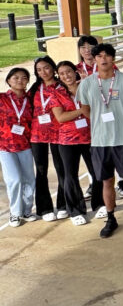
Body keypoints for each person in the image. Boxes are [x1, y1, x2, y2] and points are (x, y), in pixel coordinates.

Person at [76, 44, 123, 238]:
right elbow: (85, 109)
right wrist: (101, 124)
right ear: (94, 59)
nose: (103, 59)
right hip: (100, 142)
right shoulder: (87, 84)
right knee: (106, 181)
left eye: (107, 56)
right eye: (99, 56)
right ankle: (111, 217)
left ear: (113, 59)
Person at [51, 62, 104, 226]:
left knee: (97, 171)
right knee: (70, 175)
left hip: (90, 137)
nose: (66, 76)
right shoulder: (56, 94)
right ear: (59, 77)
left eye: (69, 72)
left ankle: (100, 203)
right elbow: (60, 117)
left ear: (75, 72)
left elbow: (99, 106)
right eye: (62, 73)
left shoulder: (87, 88)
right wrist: (81, 111)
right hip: (67, 140)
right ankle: (76, 211)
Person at [29, 56, 67, 222]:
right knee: (41, 170)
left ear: (53, 68)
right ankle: (44, 208)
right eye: (39, 69)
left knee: (61, 168)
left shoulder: (62, 86)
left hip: (59, 132)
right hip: (38, 134)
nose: (43, 72)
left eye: (46, 68)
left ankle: (63, 204)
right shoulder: (35, 88)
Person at [0, 68, 36, 227]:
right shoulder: (2, 98)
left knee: (29, 179)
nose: (20, 81)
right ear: (8, 80)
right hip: (5, 146)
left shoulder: (31, 100)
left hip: (25, 145)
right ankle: (15, 213)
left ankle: (27, 210)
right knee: (14, 180)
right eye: (15, 78)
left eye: (24, 78)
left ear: (28, 81)